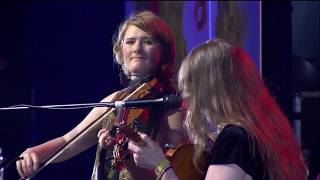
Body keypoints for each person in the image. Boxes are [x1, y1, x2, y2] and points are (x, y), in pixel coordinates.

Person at [16, 11, 186, 180]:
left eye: (148, 41)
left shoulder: (171, 105)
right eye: (130, 42)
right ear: (120, 51)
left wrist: (126, 155)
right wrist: (36, 152)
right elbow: (69, 140)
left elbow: (171, 173)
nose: (137, 49)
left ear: (163, 51)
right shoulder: (115, 101)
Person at [127, 39, 309, 180]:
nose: (184, 98)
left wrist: (160, 164)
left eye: (190, 87)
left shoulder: (234, 139)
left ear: (208, 89)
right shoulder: (259, 134)